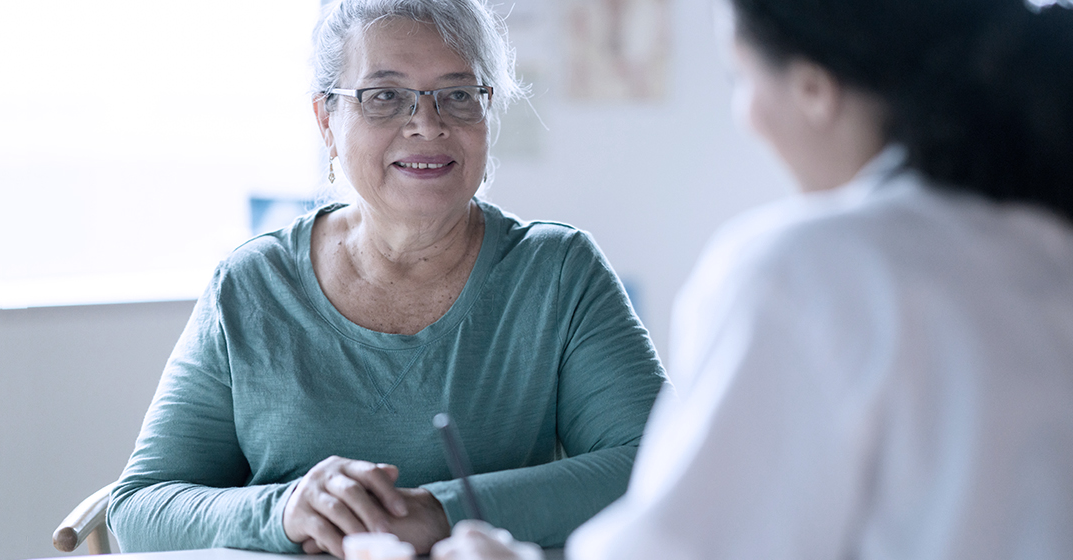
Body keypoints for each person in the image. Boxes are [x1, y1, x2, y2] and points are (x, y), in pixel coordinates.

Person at [433, 0, 1073, 558]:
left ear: (815, 89)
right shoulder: (1042, 241)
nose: (744, 113)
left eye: (738, 77)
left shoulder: (807, 273)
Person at [105, 0, 666, 556]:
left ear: (487, 116)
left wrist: (440, 513)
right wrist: (285, 510)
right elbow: (141, 509)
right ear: (327, 119)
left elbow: (661, 463)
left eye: (459, 95)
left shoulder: (557, 271)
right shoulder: (252, 284)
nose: (427, 123)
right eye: (385, 97)